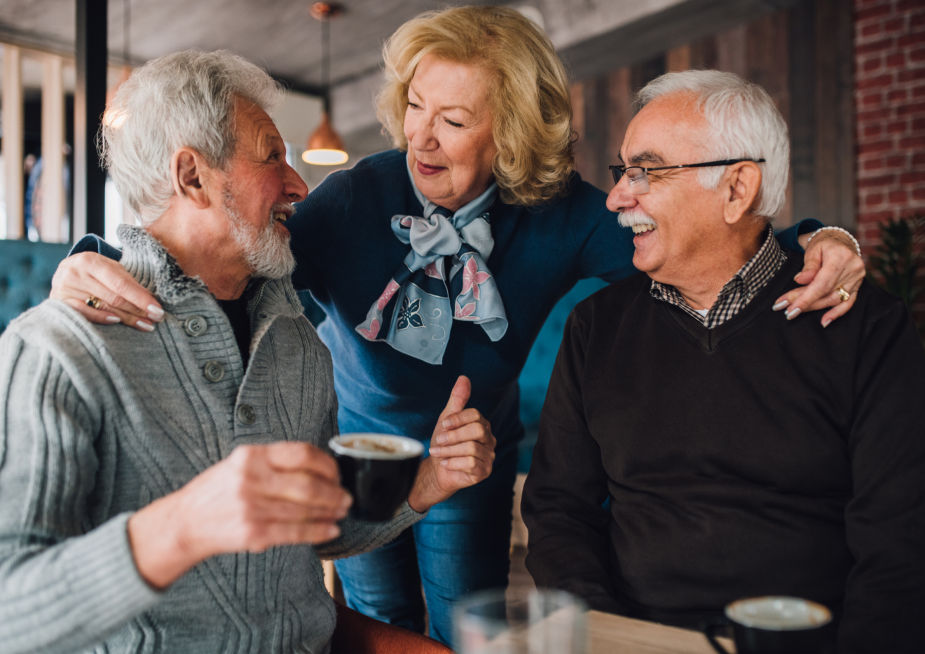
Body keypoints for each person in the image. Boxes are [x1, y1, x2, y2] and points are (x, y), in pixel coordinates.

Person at [48, 6, 867, 645]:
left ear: (507, 132)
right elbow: (221, 249)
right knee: (378, 622)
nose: (418, 135)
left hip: (470, 456)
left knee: (467, 628)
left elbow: (698, 238)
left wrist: (820, 241)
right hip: (361, 455)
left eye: (453, 118)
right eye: (413, 104)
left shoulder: (560, 216)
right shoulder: (352, 198)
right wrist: (92, 256)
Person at [0, 50, 495, 653]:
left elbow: (313, 526)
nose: (299, 185)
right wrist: (181, 527)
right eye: (271, 156)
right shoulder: (56, 348)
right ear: (192, 177)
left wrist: (428, 479)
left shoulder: (299, 344)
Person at [522, 69, 925, 653]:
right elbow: (559, 511)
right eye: (622, 170)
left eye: (647, 170)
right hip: (635, 640)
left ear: (737, 189)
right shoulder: (596, 327)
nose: (615, 196)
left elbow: (900, 542)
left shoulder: (865, 327)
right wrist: (605, 635)